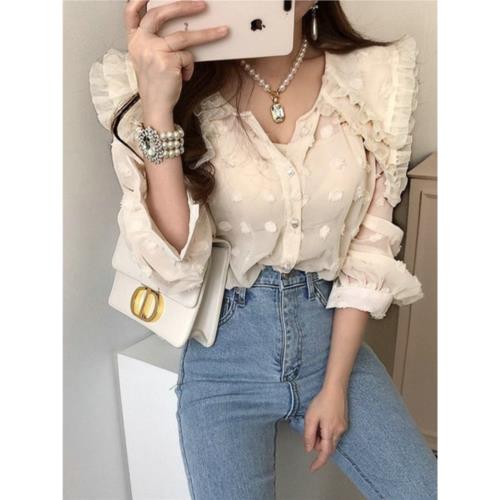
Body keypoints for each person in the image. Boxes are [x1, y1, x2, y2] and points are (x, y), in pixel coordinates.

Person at [89, 1, 437, 498]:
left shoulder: (372, 80)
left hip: (330, 342)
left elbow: (369, 248)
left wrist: (335, 385)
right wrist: (158, 106)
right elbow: (174, 260)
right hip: (224, 356)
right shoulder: (179, 82)